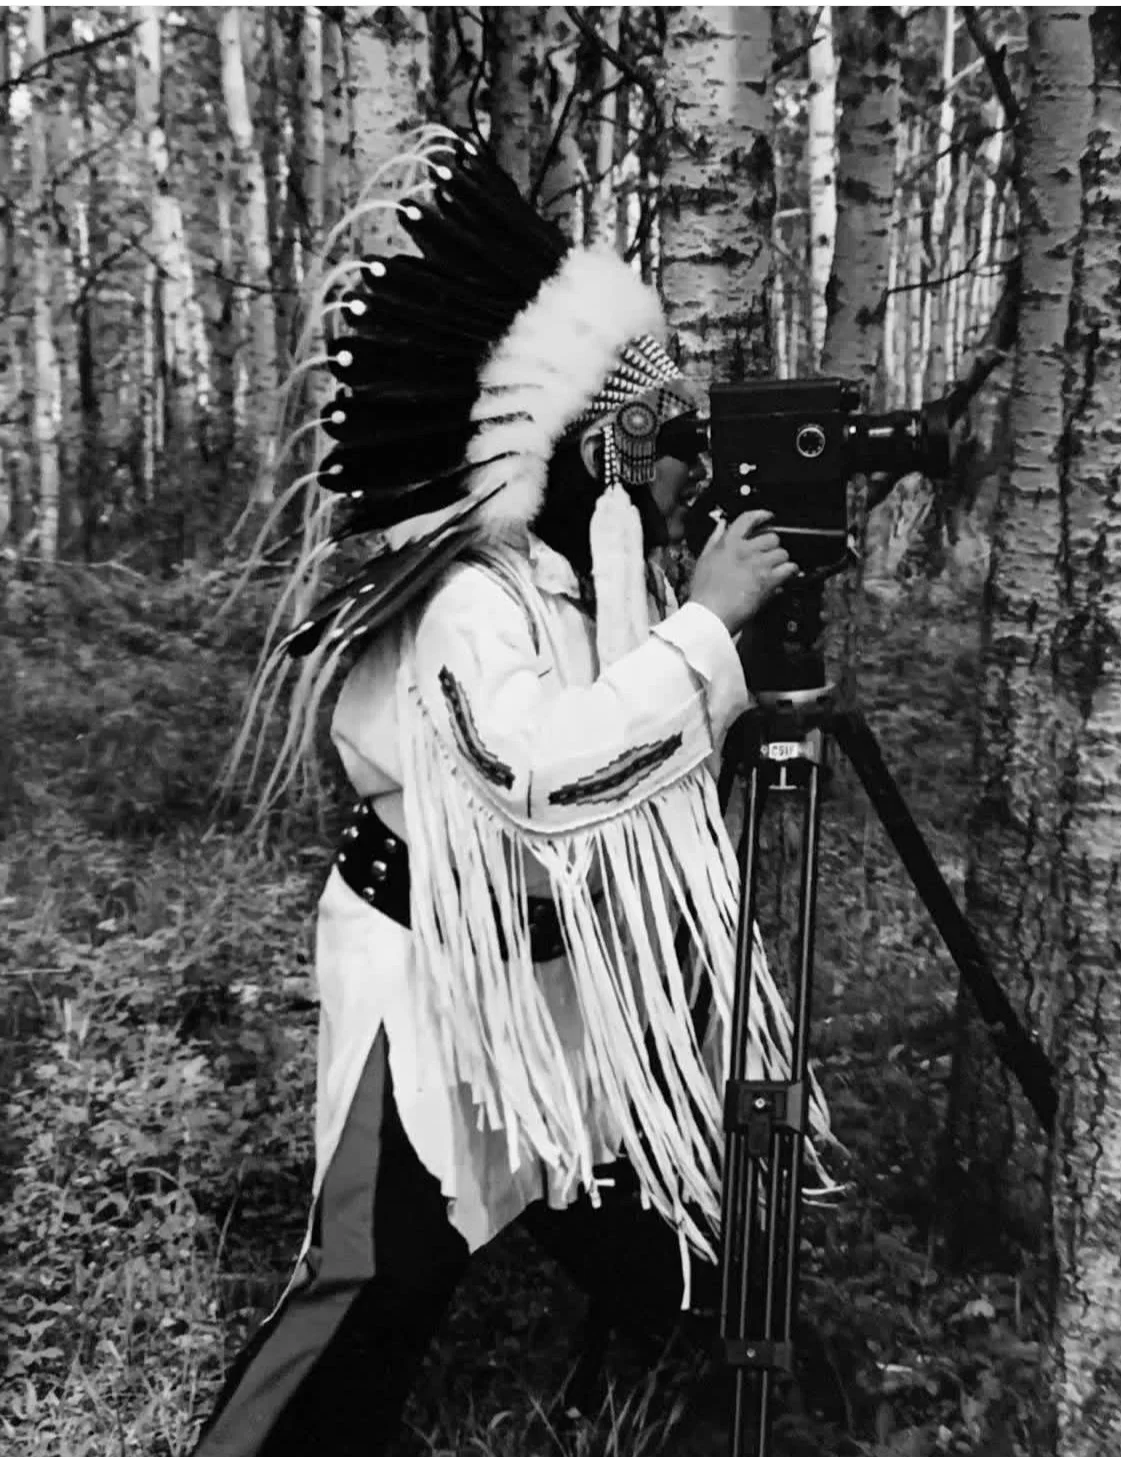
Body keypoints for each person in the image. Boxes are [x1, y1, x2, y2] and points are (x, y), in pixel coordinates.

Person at [193, 128, 833, 1457]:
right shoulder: (466, 602)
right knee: (376, 1270)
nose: (683, 471)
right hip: (431, 979)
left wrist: (715, 626)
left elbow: (639, 745)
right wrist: (706, 628)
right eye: (663, 440)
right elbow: (549, 774)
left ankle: (669, 1375)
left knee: (646, 1216)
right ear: (595, 443)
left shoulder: (597, 580)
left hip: (557, 992)